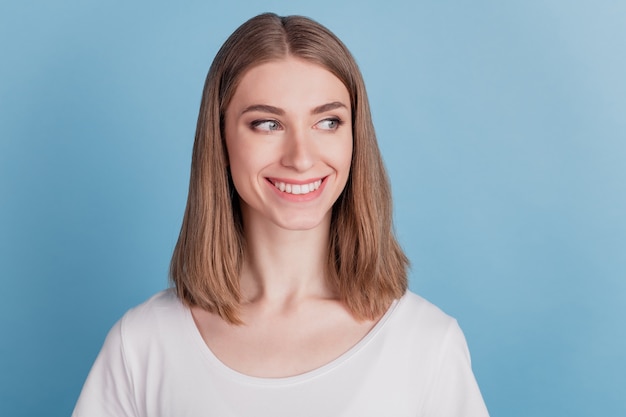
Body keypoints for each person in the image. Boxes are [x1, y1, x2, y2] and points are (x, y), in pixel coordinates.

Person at [73, 12, 489, 417]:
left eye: (328, 122)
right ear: (220, 139)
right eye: (268, 124)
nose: (301, 158)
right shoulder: (142, 345)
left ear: (354, 138)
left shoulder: (427, 344)